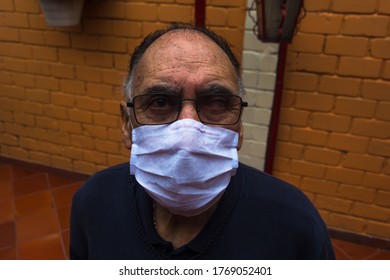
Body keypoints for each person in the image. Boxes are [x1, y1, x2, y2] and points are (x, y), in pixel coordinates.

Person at [70, 22, 335, 260]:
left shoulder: (294, 224)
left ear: (239, 127)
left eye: (217, 102)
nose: (189, 130)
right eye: (160, 102)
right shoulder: (93, 203)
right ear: (127, 124)